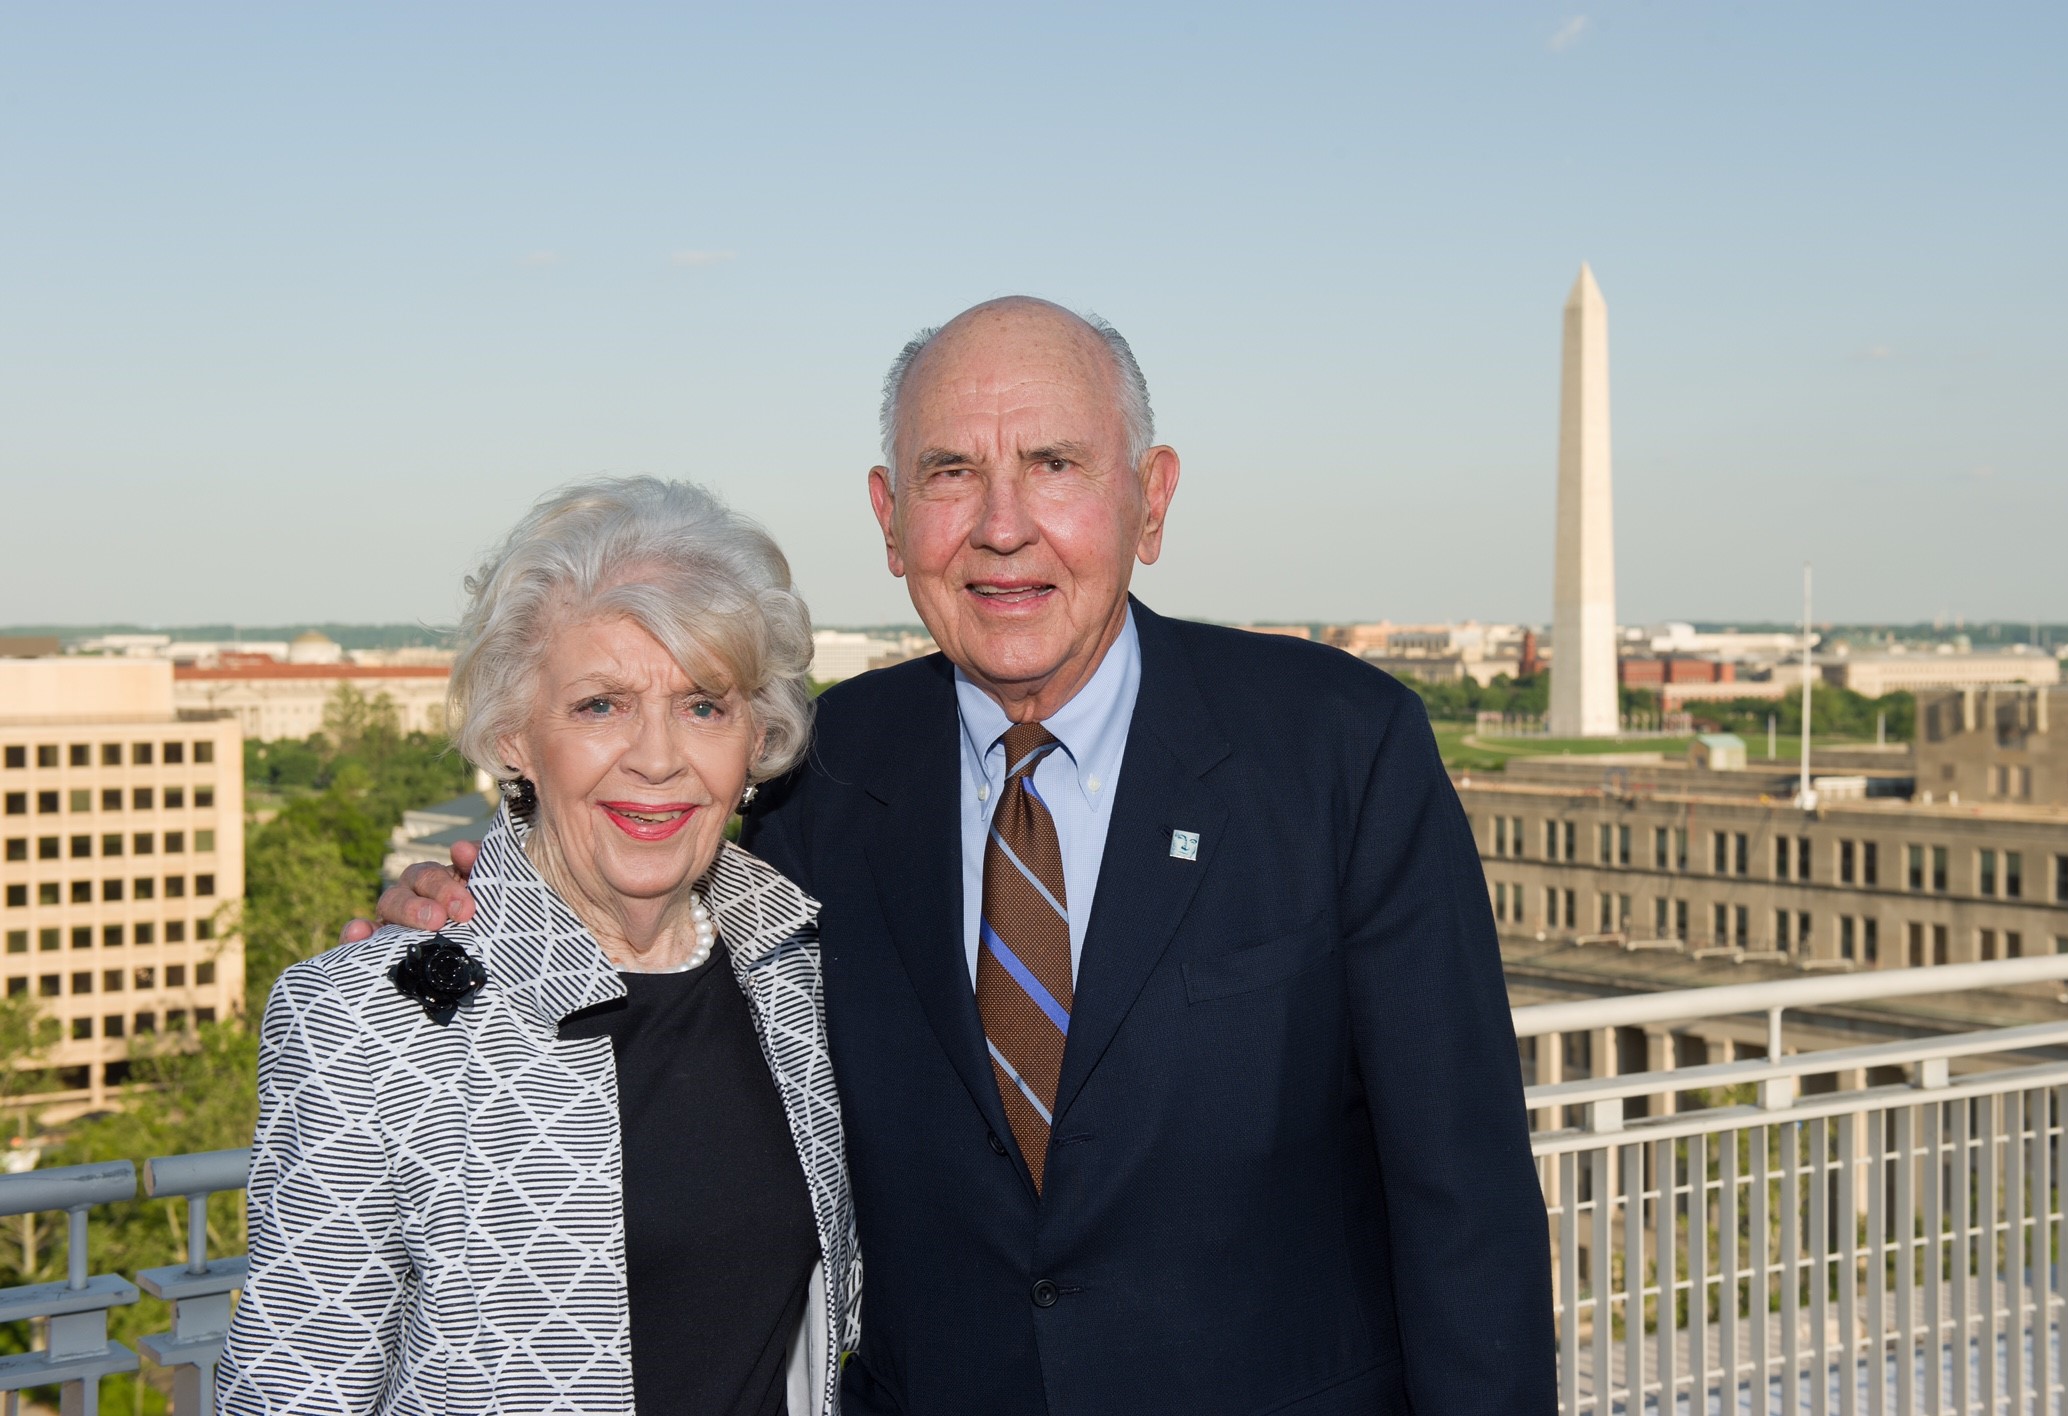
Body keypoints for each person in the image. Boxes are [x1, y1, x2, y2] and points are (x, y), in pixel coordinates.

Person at [365, 299, 1554, 1414]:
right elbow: (636, 914)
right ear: (889, 518)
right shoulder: (816, 772)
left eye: (1054, 464)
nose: (1000, 526)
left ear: (1149, 500)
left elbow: (1466, 1196)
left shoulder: (1338, 747)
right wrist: (457, 917)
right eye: (950, 473)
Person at [227, 479, 858, 1416]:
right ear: (514, 736)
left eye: (703, 707)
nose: (657, 758)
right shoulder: (366, 1023)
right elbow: (293, 1390)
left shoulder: (802, 977)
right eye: (601, 706)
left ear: (755, 738)